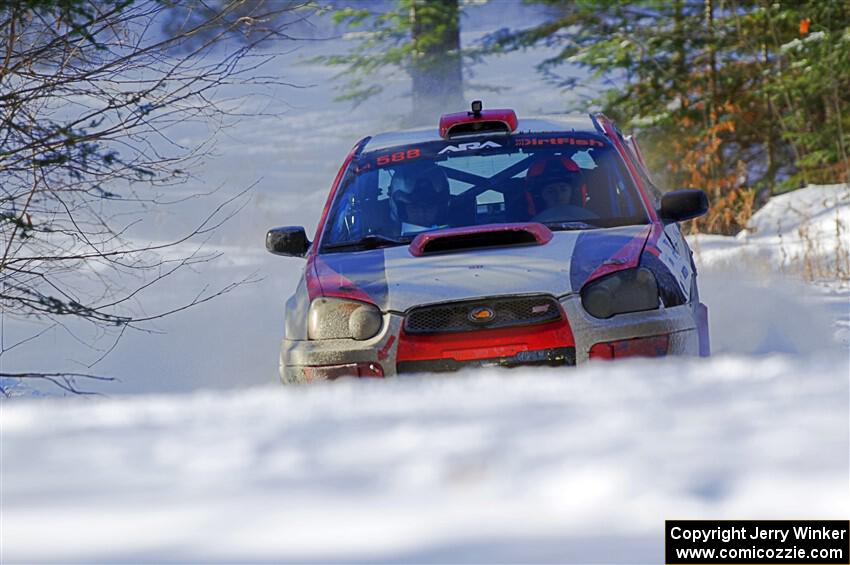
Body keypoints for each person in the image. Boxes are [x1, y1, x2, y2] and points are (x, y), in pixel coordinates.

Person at [389, 163, 450, 234]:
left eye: (430, 206)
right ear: (401, 210)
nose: (422, 213)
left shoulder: (459, 233)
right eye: (414, 207)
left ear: (441, 208)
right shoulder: (385, 240)